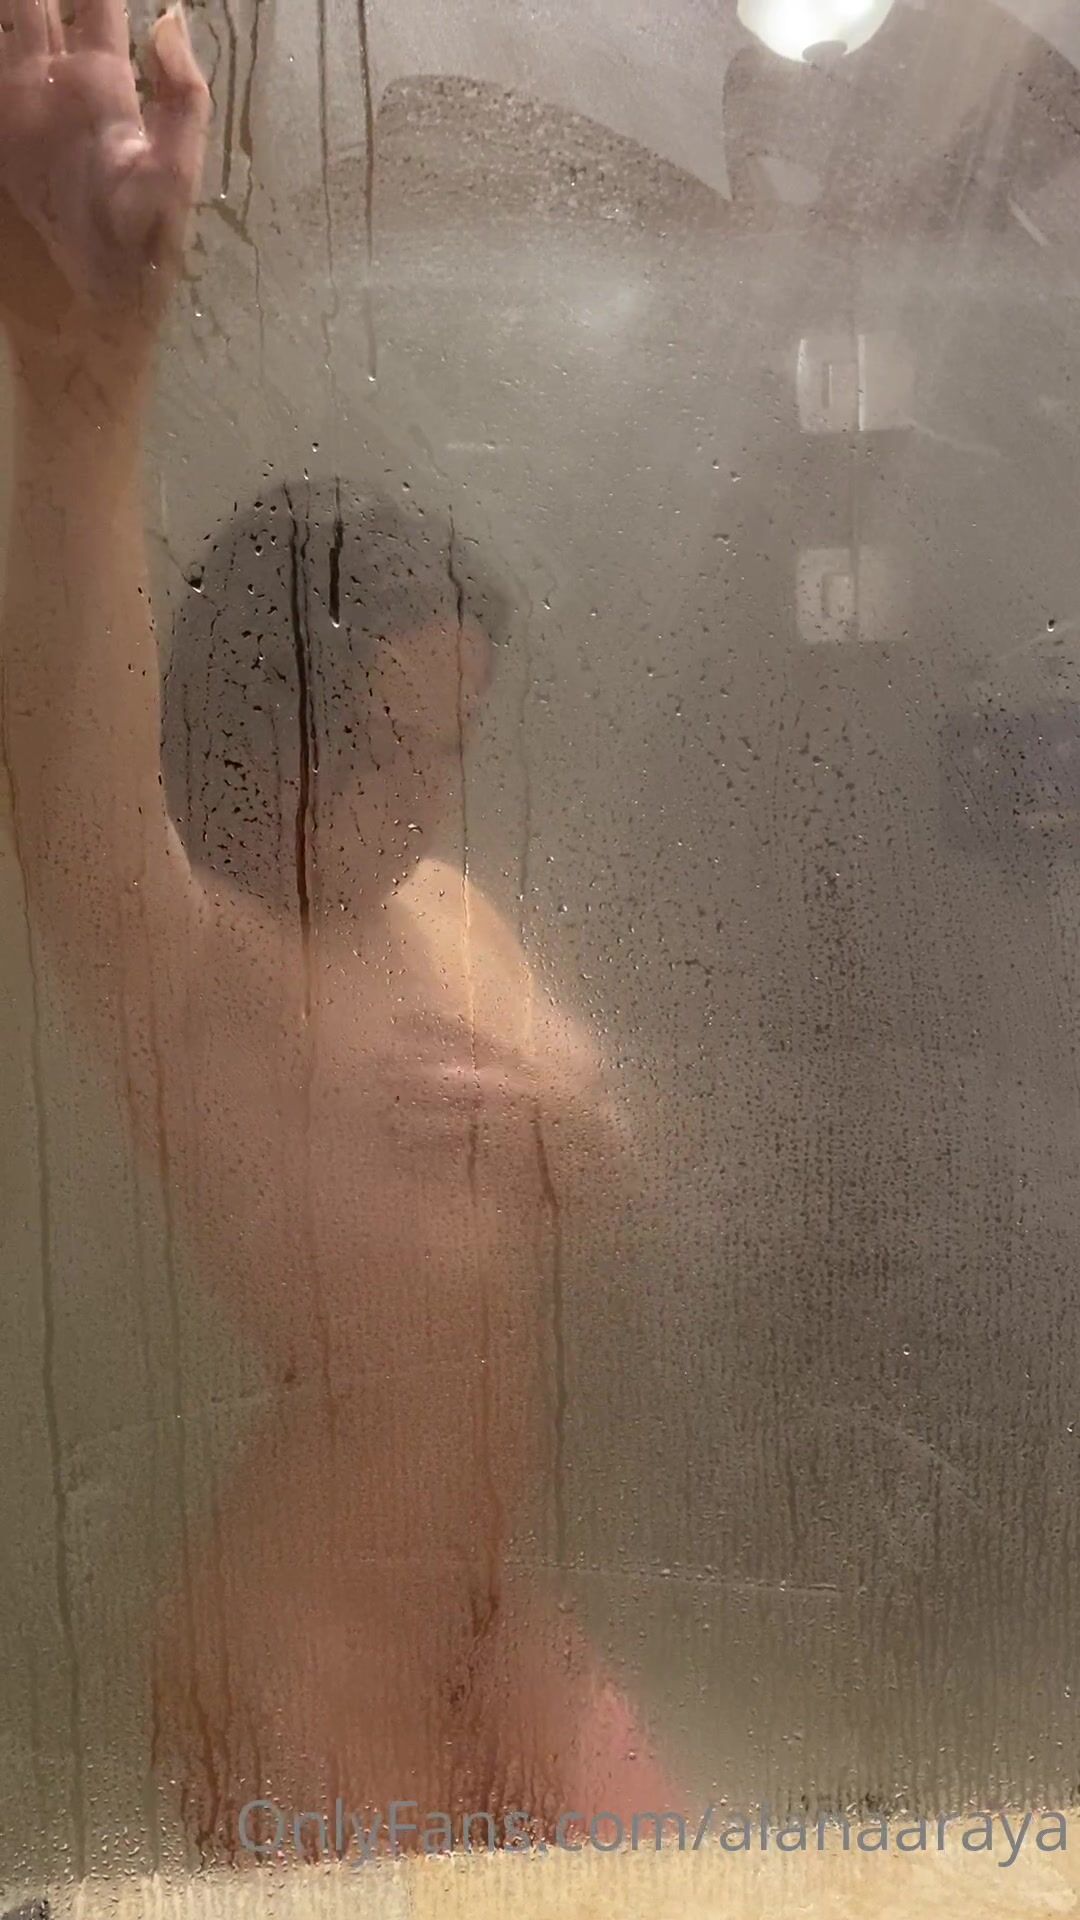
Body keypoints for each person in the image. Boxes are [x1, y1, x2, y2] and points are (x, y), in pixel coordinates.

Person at [0, 0, 677, 1864]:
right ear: (268, 721)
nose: (428, 803)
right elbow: (63, 776)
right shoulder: (202, 960)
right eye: (387, 745)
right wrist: (82, 382)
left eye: (455, 749)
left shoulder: (447, 917)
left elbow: (619, 1158)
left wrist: (576, 1125)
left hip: (499, 1618)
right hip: (308, 1645)